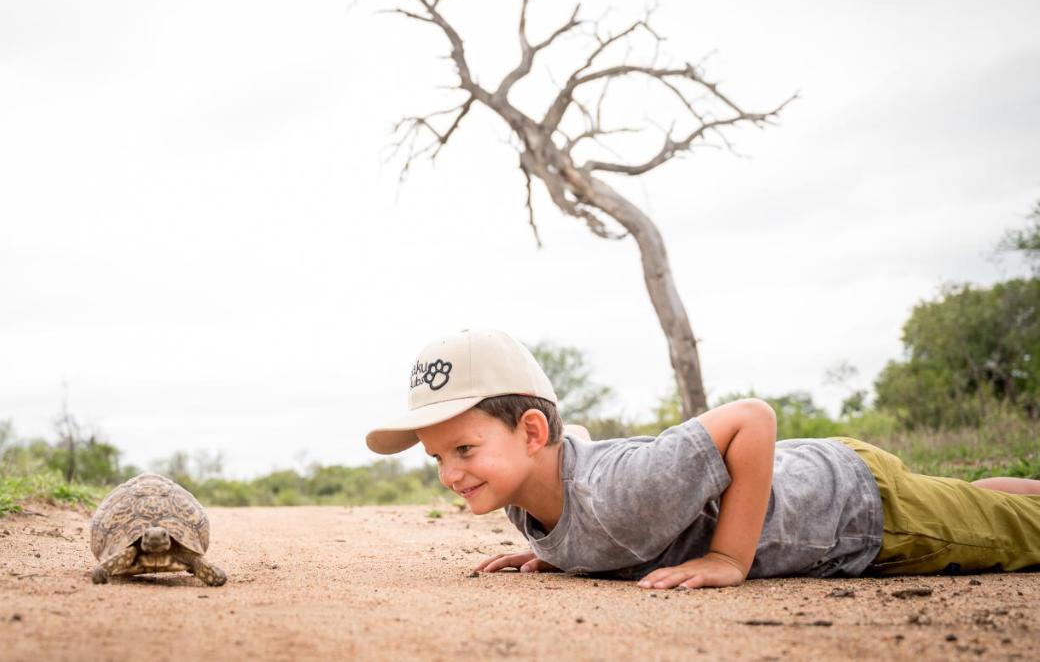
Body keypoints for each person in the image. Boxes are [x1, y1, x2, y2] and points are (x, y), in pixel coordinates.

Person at [366, 328, 1040, 587]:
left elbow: (751, 419)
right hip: (830, 472)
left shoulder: (620, 491)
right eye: (436, 458)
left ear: (533, 433)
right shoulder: (527, 503)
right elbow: (590, 486)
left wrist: (727, 559)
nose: (450, 474)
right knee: (981, 500)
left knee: (1008, 534)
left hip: (859, 512)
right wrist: (558, 549)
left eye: (464, 449)